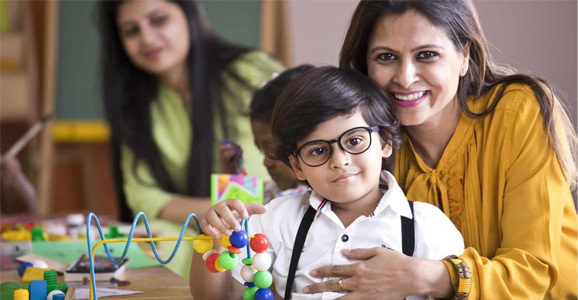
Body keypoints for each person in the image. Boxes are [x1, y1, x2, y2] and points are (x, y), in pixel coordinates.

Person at [303, 0, 578, 299]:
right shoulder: (365, 143)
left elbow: (532, 271)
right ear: (364, 67)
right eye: (386, 57)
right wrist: (249, 227)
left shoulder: (517, 110)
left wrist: (425, 276)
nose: (405, 78)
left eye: (427, 55)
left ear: (464, 56)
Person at [190, 67, 464, 300]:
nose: (339, 161)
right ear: (297, 165)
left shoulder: (429, 228)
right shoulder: (276, 219)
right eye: (318, 150)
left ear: (385, 142)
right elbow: (220, 296)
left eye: (354, 141)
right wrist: (215, 242)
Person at [96, 0, 283, 278]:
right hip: (200, 226)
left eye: (158, 20)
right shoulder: (135, 103)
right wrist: (212, 215)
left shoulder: (249, 74)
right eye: (131, 31)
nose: (146, 38)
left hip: (270, 226)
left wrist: (220, 216)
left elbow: (258, 189)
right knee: (146, 243)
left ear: (192, 15)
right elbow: (141, 194)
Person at [219, 65, 314, 203]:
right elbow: (240, 218)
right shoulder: (275, 190)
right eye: (262, 151)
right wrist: (235, 176)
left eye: (274, 150)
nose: (266, 163)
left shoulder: (304, 198)